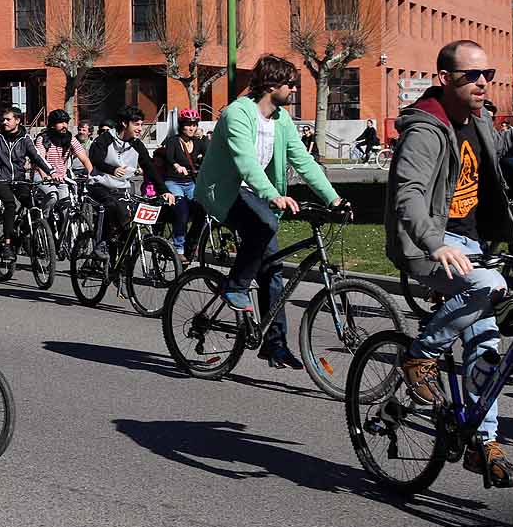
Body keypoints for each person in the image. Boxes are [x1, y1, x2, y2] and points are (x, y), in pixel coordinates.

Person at [389, 40, 513, 488]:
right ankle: (420, 356)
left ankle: (482, 442)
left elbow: (502, 144)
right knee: (488, 283)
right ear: (445, 79)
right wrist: (434, 243)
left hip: (471, 242)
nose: (483, 82)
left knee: (486, 346)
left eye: (486, 74)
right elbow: (407, 195)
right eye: (472, 76)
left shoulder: (478, 119)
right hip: (428, 243)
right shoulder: (425, 129)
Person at [197, 55, 344, 370]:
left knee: (273, 270)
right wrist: (273, 195)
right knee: (263, 226)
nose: (294, 89)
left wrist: (334, 199)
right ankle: (235, 286)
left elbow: (303, 161)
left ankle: (274, 346)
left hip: (257, 193)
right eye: (290, 84)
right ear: (272, 84)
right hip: (225, 191)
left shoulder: (281, 119)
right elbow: (245, 163)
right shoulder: (238, 114)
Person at [87, 108, 174, 259]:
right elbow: (95, 159)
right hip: (99, 185)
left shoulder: (137, 145)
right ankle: (101, 244)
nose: (140, 128)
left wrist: (164, 190)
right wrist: (112, 169)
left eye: (141, 124)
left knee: (128, 222)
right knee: (110, 205)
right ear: (124, 123)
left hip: (121, 188)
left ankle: (120, 264)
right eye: (136, 124)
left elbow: (149, 168)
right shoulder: (105, 139)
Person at [0, 107, 55, 248]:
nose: (4, 122)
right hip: (0, 179)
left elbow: (36, 156)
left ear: (17, 120)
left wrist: (51, 171)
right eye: (3, 119)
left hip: (19, 179)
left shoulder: (25, 138)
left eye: (8, 119)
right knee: (10, 205)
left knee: (33, 207)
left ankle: (25, 232)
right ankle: (7, 244)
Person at [155, 110, 207, 253]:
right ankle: (179, 248)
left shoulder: (199, 142)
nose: (191, 128)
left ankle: (192, 242)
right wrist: (177, 166)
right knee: (182, 211)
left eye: (194, 125)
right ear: (181, 126)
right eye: (188, 125)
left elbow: (211, 156)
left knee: (202, 210)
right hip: (174, 183)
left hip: (191, 183)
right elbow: (169, 158)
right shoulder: (173, 141)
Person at [33, 109, 94, 191]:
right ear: (53, 124)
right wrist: (46, 177)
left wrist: (92, 174)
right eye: (61, 122)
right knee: (52, 195)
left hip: (61, 178)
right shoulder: (43, 138)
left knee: (67, 201)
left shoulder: (70, 138)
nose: (64, 125)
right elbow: (40, 161)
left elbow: (84, 158)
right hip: (42, 176)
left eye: (66, 122)